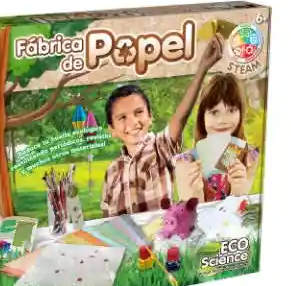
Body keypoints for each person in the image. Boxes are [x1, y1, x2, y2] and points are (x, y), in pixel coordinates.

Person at [101, 34, 224, 217]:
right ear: (112, 129)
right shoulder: (112, 171)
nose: (133, 122)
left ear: (150, 117)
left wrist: (202, 68)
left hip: (162, 233)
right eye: (122, 117)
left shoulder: (161, 147)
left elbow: (181, 117)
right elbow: (106, 216)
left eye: (138, 112)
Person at [174, 72, 259, 202]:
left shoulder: (249, 157)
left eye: (231, 110)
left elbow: (243, 212)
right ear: (202, 116)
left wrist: (238, 192)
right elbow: (188, 214)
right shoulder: (185, 163)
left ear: (241, 113)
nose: (222, 121)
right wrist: (196, 194)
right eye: (214, 112)